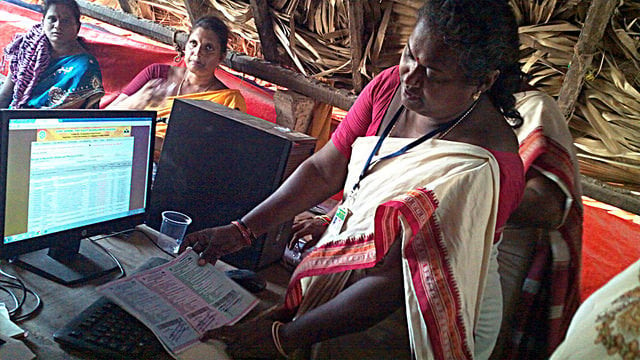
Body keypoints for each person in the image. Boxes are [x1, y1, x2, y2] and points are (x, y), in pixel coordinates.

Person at [182, 0, 525, 358]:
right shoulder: (390, 87)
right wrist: (243, 230)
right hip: (364, 284)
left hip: (424, 305)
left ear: (483, 82)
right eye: (410, 55)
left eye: (433, 74)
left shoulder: (483, 165)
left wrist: (285, 335)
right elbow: (325, 169)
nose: (410, 76)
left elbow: (397, 282)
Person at [492, 86, 583, 359]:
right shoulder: (424, 95)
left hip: (500, 261)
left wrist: (467, 195)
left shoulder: (533, 111)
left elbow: (547, 208)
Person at [106, 15, 245, 160]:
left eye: (208, 48)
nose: (197, 53)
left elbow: (216, 155)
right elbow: (103, 117)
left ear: (221, 57)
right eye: (193, 43)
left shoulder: (228, 101)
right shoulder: (156, 74)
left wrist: (153, 142)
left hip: (174, 171)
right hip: (125, 154)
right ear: (185, 46)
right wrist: (135, 102)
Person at [0, 0, 104, 109]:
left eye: (65, 21)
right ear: (43, 22)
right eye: (52, 19)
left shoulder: (83, 67)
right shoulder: (28, 50)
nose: (58, 26)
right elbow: (6, 94)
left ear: (77, 27)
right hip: (11, 117)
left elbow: (61, 115)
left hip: (48, 123)